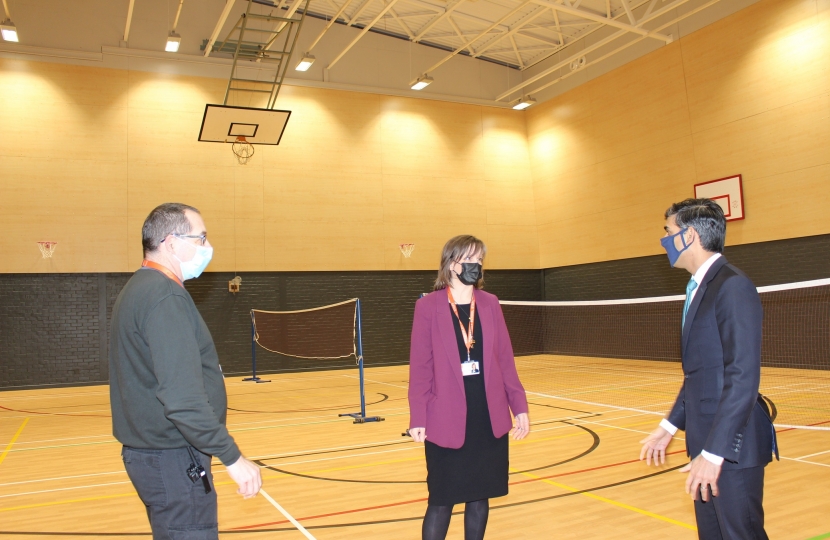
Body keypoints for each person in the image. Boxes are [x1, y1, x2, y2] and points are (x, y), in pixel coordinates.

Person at [110, 203, 262, 540]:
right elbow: (181, 399)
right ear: (171, 242)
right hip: (173, 461)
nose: (207, 248)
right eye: (201, 238)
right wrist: (232, 457)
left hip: (155, 458)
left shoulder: (140, 288)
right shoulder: (164, 297)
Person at [639, 198, 777, 539]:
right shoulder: (699, 287)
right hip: (705, 442)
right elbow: (701, 373)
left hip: (732, 448)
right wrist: (669, 426)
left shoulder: (732, 286)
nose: (664, 240)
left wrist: (714, 454)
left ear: (688, 236)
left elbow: (742, 376)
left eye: (668, 232)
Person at [408, 235, 530, 540]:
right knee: (441, 501)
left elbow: (505, 360)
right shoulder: (428, 307)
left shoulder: (489, 304)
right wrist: (418, 417)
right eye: (470, 259)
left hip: (487, 418)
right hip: (445, 419)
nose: (475, 265)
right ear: (452, 263)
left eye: (480, 260)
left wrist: (520, 407)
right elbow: (420, 368)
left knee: (479, 497)